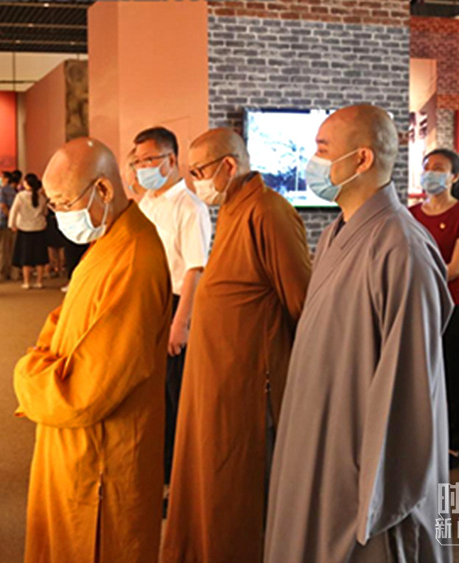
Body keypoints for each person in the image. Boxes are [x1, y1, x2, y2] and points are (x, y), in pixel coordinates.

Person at [265, 105, 451, 562]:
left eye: (322, 149)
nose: (312, 160)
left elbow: (409, 390)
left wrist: (378, 491)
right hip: (319, 430)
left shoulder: (401, 248)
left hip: (359, 455)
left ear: (362, 159)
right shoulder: (335, 234)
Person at [14, 137, 171, 562]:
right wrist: (43, 359)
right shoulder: (110, 239)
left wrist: (28, 375)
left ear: (102, 189)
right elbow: (61, 320)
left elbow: (86, 391)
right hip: (73, 442)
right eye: (54, 206)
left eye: (65, 203)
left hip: (101, 458)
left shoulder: (135, 256)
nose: (59, 215)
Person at [161, 129, 311, 562]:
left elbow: (301, 300)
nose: (196, 182)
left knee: (241, 487)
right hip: (219, 377)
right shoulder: (232, 207)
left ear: (229, 165)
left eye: (199, 171)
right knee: (213, 479)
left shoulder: (268, 210)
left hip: (250, 383)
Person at [131, 126, 212, 512]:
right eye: (138, 161)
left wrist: (181, 323)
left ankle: (175, 484)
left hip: (175, 305)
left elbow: (195, 269)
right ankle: (155, 472)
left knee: (174, 400)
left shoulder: (190, 207)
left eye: (150, 159)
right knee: (150, 398)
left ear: (171, 160)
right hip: (147, 304)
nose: (143, 167)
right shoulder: (146, 202)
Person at [410, 149, 459, 469]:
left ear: (454, 177)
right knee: (418, 376)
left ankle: (453, 444)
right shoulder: (411, 214)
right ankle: (422, 442)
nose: (430, 173)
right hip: (416, 305)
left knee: (452, 375)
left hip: (454, 308)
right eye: (427, 167)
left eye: (438, 168)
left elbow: (456, 268)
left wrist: (414, 273)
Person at [9, 174, 50, 289]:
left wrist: (12, 224)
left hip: (24, 229)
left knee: (25, 257)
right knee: (40, 257)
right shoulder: (41, 197)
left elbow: (14, 211)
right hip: (39, 228)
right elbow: (45, 212)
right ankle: (39, 282)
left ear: (27, 184)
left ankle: (26, 282)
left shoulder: (20, 196)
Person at [0, 172, 18, 281]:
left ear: (6, 179)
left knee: (2, 249)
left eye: (1, 177)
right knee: (11, 249)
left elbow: (2, 205)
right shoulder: (14, 190)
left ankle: (2, 272)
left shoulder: (2, 190)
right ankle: (12, 272)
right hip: (14, 223)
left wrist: (9, 217)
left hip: (4, 222)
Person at [44, 205, 65, 279]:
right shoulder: (62, 205)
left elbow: (44, 213)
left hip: (50, 227)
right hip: (60, 228)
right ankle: (60, 269)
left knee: (51, 251)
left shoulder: (47, 205)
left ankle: (52, 269)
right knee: (61, 250)